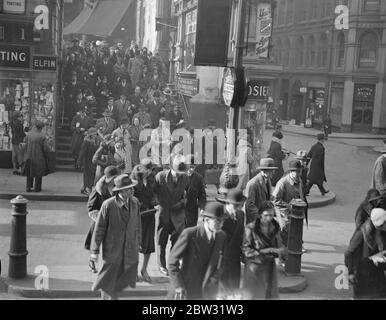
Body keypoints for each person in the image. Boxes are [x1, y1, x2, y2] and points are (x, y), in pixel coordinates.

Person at [89, 174, 141, 300]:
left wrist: (138, 242)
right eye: (129, 188)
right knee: (107, 279)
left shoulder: (135, 202)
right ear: (121, 190)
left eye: (132, 187)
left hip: (128, 249)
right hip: (112, 251)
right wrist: (94, 252)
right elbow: (99, 228)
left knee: (119, 280)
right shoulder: (108, 205)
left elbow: (137, 224)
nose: (132, 190)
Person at [168, 202, 227, 300]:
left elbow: (223, 262)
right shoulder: (190, 234)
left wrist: (215, 278)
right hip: (186, 290)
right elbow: (172, 262)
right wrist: (178, 285)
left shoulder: (222, 236)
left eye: (223, 221)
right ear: (207, 220)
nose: (221, 224)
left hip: (207, 290)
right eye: (218, 221)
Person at [242, 201, 286, 300]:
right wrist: (267, 251)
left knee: (269, 295)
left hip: (269, 267)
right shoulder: (251, 228)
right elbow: (246, 249)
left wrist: (281, 251)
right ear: (260, 215)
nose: (269, 218)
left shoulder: (274, 227)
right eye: (266, 215)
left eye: (271, 215)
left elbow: (279, 243)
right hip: (254, 267)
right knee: (253, 296)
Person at [154, 155, 190, 276]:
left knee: (176, 241)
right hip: (163, 214)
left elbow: (186, 196)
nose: (179, 175)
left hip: (177, 215)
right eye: (177, 172)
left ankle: (172, 264)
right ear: (171, 168)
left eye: (181, 172)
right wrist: (158, 204)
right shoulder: (160, 177)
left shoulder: (185, 178)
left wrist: (181, 203)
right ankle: (162, 265)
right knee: (161, 241)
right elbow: (153, 193)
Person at [344, 208, 386, 299]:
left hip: (378, 274)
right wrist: (351, 273)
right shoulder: (361, 233)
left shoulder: (382, 233)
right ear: (380, 224)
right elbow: (349, 253)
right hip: (363, 275)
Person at [131, 162, 158, 283]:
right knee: (137, 244)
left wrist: (155, 200)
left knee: (148, 245)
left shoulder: (152, 180)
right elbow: (131, 198)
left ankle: (144, 269)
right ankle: (134, 271)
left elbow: (156, 194)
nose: (152, 172)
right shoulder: (135, 180)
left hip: (150, 216)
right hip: (139, 218)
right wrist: (139, 204)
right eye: (150, 170)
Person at [272, 160, 307, 247]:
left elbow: (302, 194)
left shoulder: (299, 180)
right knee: (287, 232)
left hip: (297, 212)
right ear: (291, 171)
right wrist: (289, 206)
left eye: (300, 171)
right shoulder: (282, 183)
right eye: (297, 172)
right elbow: (275, 199)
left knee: (297, 229)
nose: (299, 174)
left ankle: (297, 245)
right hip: (285, 213)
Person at [84, 165, 120, 251]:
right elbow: (91, 208)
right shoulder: (98, 189)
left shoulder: (119, 187)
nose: (114, 180)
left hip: (116, 223)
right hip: (100, 222)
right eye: (113, 178)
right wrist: (102, 219)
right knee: (96, 249)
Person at [218, 188, 245, 298]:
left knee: (235, 291)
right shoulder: (219, 217)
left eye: (240, 205)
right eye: (235, 205)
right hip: (221, 262)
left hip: (235, 260)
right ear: (227, 203)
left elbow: (240, 235)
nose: (238, 208)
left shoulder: (241, 215)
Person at [244, 158, 278, 224]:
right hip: (254, 221)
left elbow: (267, 199)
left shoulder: (268, 180)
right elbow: (249, 206)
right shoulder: (253, 184)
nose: (273, 173)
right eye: (271, 170)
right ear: (264, 171)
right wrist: (262, 216)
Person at [22, 120, 50, 192]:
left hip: (29, 156)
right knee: (38, 173)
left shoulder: (29, 134)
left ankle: (28, 187)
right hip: (39, 157)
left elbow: (25, 145)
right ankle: (37, 188)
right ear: (41, 128)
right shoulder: (42, 136)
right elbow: (46, 148)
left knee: (29, 172)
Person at [184, 154, 207, 228]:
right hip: (179, 212)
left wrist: (202, 208)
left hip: (192, 212)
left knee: (191, 234)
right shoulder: (179, 176)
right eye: (189, 167)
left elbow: (202, 196)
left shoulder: (198, 178)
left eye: (193, 167)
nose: (191, 169)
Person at [78, 127, 99, 195]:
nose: (95, 135)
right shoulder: (86, 141)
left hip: (93, 161)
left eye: (96, 134)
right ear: (90, 134)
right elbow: (82, 152)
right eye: (94, 134)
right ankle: (86, 189)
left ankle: (85, 188)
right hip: (87, 160)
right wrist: (79, 161)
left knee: (92, 175)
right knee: (88, 175)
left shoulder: (96, 140)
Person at [10, 111, 25, 175]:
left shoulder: (12, 122)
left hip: (13, 140)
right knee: (19, 155)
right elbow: (21, 133)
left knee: (14, 155)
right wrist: (25, 135)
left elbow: (13, 131)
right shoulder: (19, 123)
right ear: (18, 116)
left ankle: (15, 168)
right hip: (18, 141)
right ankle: (22, 170)